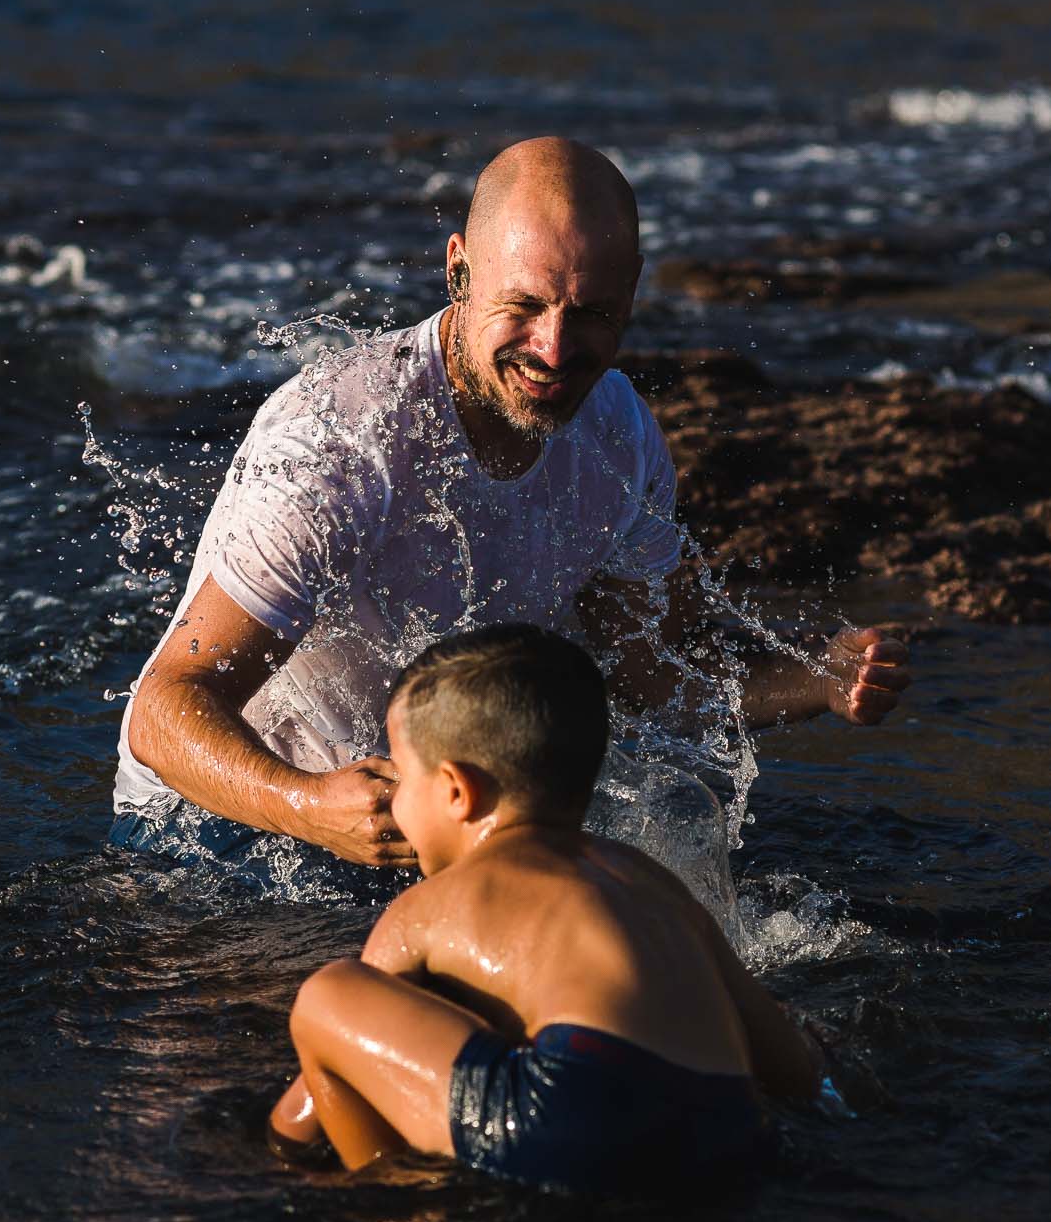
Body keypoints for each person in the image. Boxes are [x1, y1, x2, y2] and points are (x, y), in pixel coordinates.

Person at [111, 136, 910, 877]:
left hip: (451, 823)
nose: (555, 351)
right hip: (224, 837)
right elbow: (164, 709)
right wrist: (308, 807)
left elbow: (651, 680)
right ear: (458, 271)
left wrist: (817, 681)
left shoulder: (619, 437)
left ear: (631, 292)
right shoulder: (344, 440)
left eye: (590, 312)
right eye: (524, 305)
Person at [266, 625, 844, 1193]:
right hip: (727, 1136)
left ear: (455, 790)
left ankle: (395, 1215)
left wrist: (281, 1143)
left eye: (399, 772)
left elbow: (320, 1091)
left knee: (328, 998)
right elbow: (794, 1067)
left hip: (569, 1126)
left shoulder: (427, 908)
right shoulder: (648, 881)